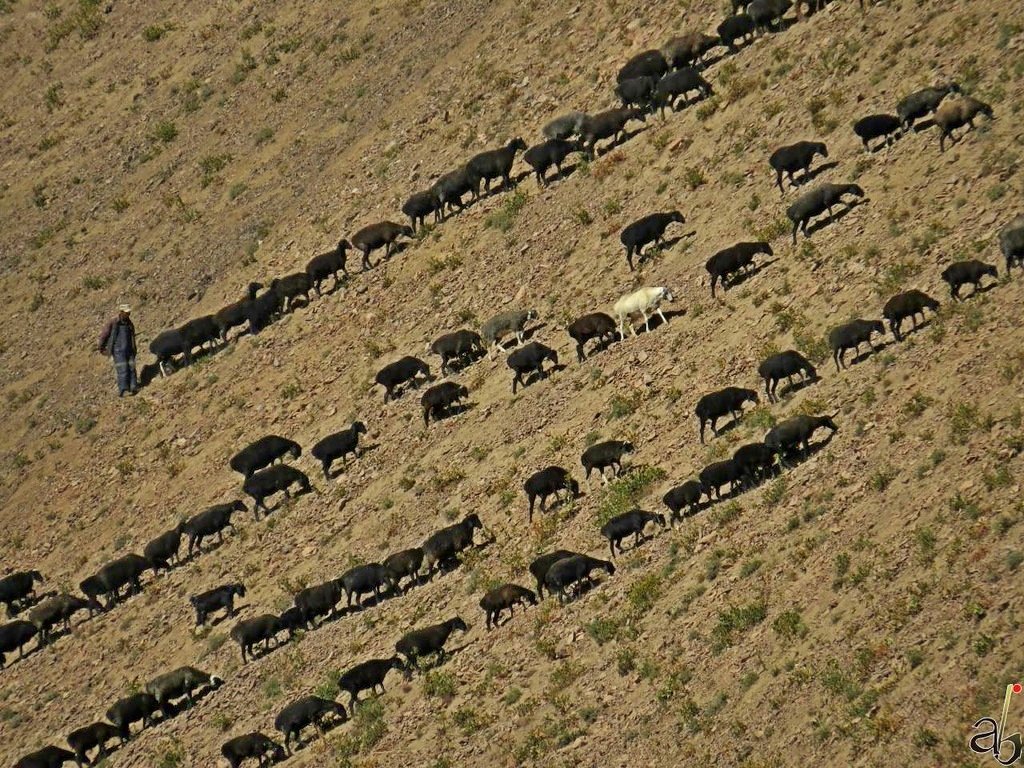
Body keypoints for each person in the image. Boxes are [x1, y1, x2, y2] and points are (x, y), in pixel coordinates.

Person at [98, 304, 138, 396]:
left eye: (129, 312)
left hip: (129, 350)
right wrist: (101, 347)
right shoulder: (113, 322)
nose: (128, 314)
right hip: (118, 351)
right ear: (121, 312)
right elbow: (104, 334)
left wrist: (134, 349)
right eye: (127, 312)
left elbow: (132, 337)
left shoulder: (129, 323)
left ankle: (133, 387)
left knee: (132, 368)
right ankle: (123, 389)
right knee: (123, 369)